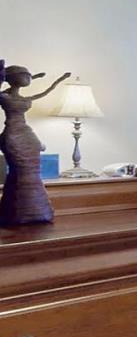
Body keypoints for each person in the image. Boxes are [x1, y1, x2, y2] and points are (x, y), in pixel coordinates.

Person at [0, 63, 72, 225]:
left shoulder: (23, 97)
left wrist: (59, 80)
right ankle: (16, 213)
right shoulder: (4, 97)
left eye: (28, 76)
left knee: (33, 171)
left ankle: (38, 211)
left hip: (26, 132)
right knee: (19, 170)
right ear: (12, 78)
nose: (27, 78)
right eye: (24, 75)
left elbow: (45, 92)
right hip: (12, 133)